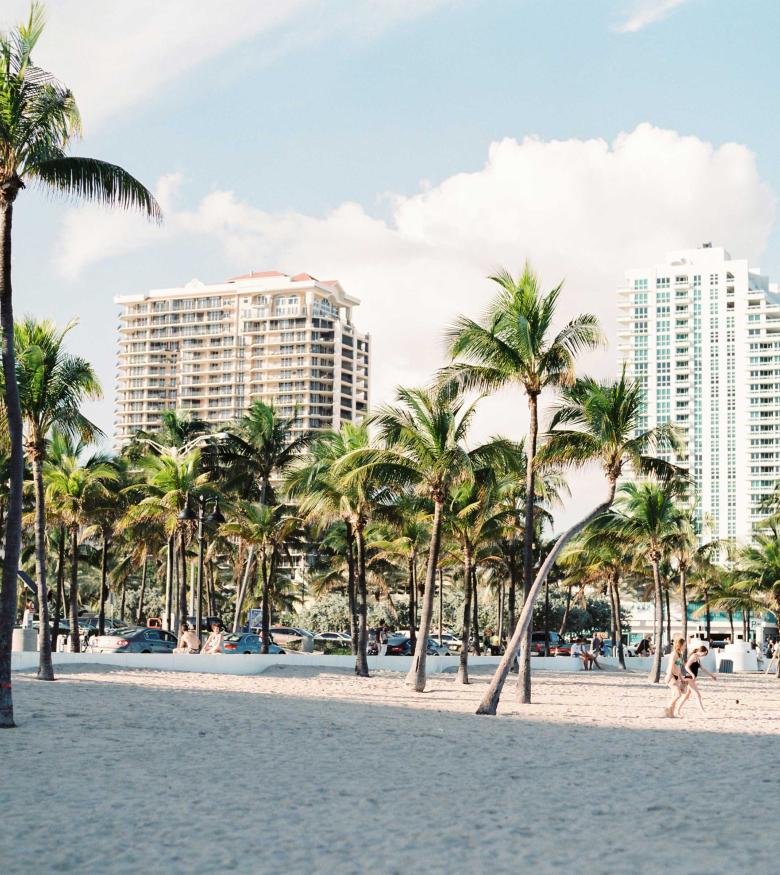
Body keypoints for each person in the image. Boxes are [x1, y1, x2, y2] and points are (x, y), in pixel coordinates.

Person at [677, 646, 716, 715]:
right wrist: (692, 674)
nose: (704, 655)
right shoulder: (694, 656)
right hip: (689, 678)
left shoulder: (697, 658)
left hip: (692, 678)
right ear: (701, 651)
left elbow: (703, 669)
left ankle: (677, 710)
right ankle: (703, 712)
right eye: (704, 653)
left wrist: (711, 675)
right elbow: (686, 666)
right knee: (698, 695)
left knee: (686, 696)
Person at [664, 637, 687, 718]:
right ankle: (667, 708)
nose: (685, 646)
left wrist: (681, 678)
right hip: (671, 676)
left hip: (677, 676)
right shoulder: (674, 654)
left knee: (674, 695)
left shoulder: (680, 654)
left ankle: (671, 714)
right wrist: (668, 676)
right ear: (679, 645)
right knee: (678, 695)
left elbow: (678, 667)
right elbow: (670, 665)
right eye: (684, 645)